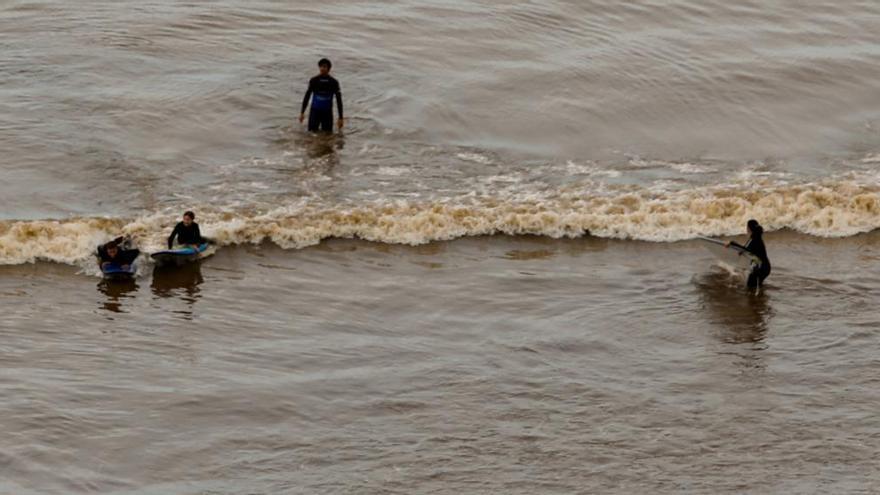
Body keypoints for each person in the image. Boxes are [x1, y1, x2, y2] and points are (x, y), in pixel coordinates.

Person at [299, 58, 344, 133]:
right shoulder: (314, 80)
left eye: (324, 67)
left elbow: (339, 100)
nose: (322, 68)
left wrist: (340, 118)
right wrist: (302, 113)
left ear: (329, 69)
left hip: (327, 113)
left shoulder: (333, 82)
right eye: (321, 66)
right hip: (314, 112)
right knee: (311, 135)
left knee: (328, 136)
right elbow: (307, 96)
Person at [726, 219, 771, 290]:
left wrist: (732, 243)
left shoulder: (754, 240)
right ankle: (761, 298)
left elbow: (745, 249)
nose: (746, 229)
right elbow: (748, 250)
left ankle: (757, 299)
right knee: (756, 286)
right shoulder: (756, 238)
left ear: (749, 228)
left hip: (761, 268)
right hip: (765, 267)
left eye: (747, 227)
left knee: (750, 288)